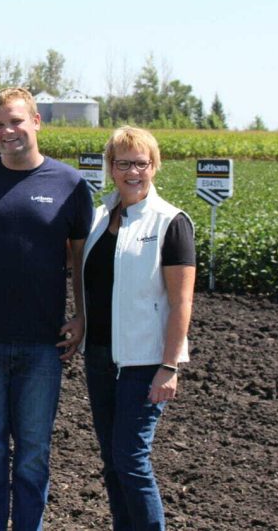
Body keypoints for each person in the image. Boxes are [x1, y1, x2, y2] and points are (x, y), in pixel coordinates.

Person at [0, 87, 93, 531]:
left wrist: (81, 315)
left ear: (37, 121)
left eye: (15, 121)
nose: (8, 131)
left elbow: (80, 258)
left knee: (33, 452)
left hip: (43, 346)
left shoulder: (69, 185)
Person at [79, 126, 195, 531]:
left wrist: (171, 365)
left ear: (154, 166)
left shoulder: (171, 222)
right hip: (99, 358)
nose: (133, 172)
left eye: (141, 163)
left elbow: (182, 301)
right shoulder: (99, 218)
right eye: (123, 163)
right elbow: (89, 286)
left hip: (144, 361)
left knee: (131, 457)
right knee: (112, 460)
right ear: (110, 168)